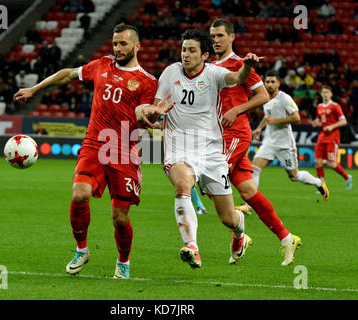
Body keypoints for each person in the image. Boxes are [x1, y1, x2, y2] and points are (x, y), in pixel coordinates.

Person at [13, 24, 174, 279]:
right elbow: (67, 74)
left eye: (123, 44)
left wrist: (149, 115)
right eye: (114, 43)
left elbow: (142, 112)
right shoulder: (101, 65)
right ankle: (82, 249)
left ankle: (123, 261)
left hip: (124, 151)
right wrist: (34, 89)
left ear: (137, 46)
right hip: (94, 144)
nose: (117, 48)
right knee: (79, 194)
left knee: (119, 218)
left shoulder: (147, 81)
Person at [136, 29, 260, 268]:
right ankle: (191, 245)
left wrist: (247, 66)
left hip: (211, 151)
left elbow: (237, 78)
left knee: (227, 218)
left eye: (192, 50)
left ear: (205, 55)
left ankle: (239, 231)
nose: (186, 54)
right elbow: (154, 106)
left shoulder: (214, 74)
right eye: (184, 49)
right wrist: (152, 111)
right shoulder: (170, 72)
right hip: (178, 147)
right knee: (182, 184)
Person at [210, 18, 301, 266]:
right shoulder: (210, 66)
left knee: (207, 179)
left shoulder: (240, 64)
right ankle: (286, 238)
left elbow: (262, 96)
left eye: (220, 35)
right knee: (248, 191)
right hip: (219, 136)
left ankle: (238, 233)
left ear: (231, 37)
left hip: (235, 133)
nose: (216, 40)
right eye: (213, 36)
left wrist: (237, 110)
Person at [251, 70, 329, 200]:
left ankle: (319, 183)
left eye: (273, 82)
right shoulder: (264, 98)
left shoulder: (285, 98)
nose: (270, 84)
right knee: (254, 169)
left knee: (294, 176)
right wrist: (259, 128)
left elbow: (296, 118)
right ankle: (249, 205)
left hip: (285, 144)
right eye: (267, 82)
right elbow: (268, 117)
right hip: (269, 143)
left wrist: (275, 121)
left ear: (278, 84)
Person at [312, 85, 352, 191]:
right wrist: (317, 123)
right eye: (323, 92)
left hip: (332, 138)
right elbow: (320, 121)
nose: (325, 94)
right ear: (321, 94)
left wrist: (332, 126)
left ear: (331, 94)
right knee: (318, 162)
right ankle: (322, 187)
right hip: (322, 136)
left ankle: (347, 177)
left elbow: (344, 121)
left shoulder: (335, 106)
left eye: (327, 92)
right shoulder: (319, 106)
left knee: (332, 164)